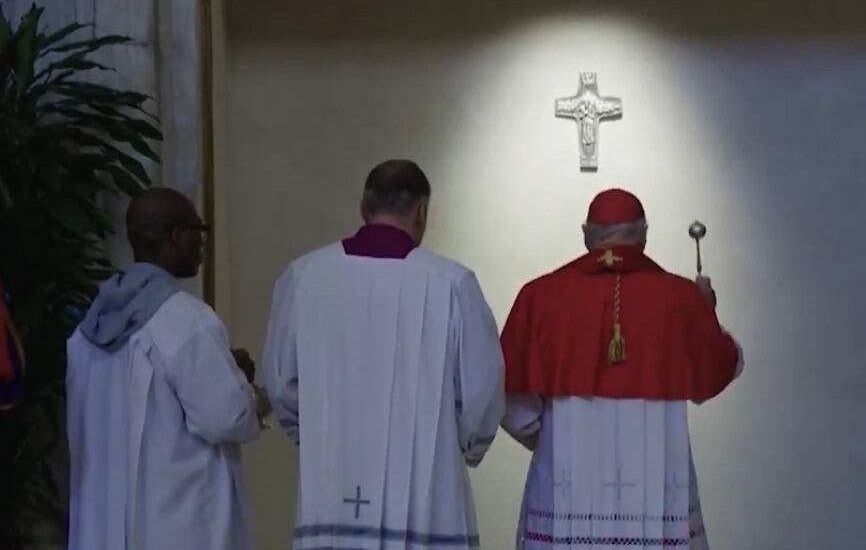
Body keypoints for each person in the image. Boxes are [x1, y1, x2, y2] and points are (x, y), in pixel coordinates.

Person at [263, 159, 504, 550]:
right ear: (421, 212)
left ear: (364, 208)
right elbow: (482, 391)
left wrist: (318, 434)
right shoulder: (451, 283)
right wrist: (458, 446)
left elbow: (281, 383)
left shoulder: (304, 277)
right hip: (427, 493)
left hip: (332, 481)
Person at [500, 188, 744, 549]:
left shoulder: (540, 296)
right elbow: (721, 366)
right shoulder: (680, 297)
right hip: (658, 486)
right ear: (643, 235)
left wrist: (547, 438)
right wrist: (706, 312)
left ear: (586, 235)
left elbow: (510, 400)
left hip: (566, 480)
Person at [66, 187, 263, 550]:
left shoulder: (87, 329)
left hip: (105, 523)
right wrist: (241, 380)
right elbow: (225, 417)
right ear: (175, 236)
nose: (201, 244)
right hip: (177, 522)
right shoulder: (185, 319)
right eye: (197, 232)